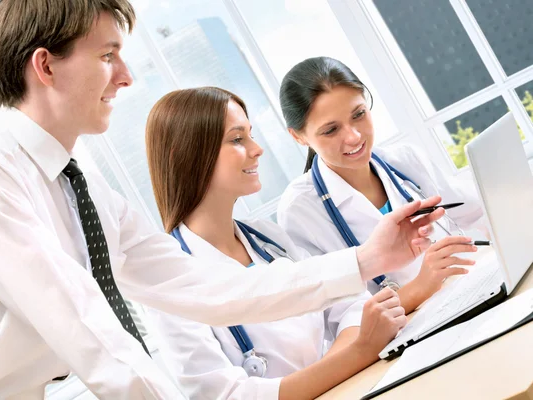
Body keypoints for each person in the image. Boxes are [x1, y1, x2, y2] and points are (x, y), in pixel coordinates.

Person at [0, 2, 441, 398]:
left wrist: (366, 260)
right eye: (107, 55)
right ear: (45, 66)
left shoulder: (79, 181)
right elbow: (90, 334)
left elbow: (209, 288)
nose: (126, 76)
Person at [145, 86, 408, 400]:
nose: (257, 149)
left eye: (251, 135)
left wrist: (335, 371)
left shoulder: (269, 238)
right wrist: (358, 353)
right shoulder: (169, 283)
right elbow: (229, 397)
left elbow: (351, 308)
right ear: (185, 154)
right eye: (237, 138)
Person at [277, 57, 485, 313]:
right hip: (412, 335)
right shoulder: (300, 210)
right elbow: (347, 321)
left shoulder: (405, 159)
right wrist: (422, 285)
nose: (354, 136)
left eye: (359, 114)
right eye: (331, 130)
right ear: (298, 136)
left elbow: (478, 209)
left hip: (470, 294)